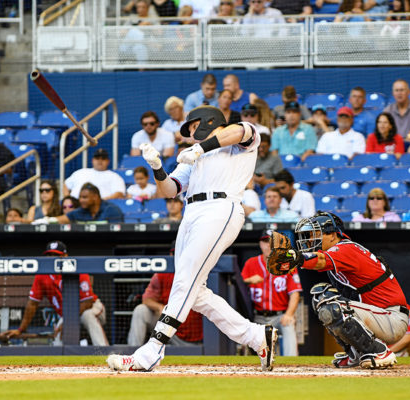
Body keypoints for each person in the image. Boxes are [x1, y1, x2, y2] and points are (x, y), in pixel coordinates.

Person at [107, 105, 279, 372]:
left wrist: (199, 148)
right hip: (191, 213)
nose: (190, 133)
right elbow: (169, 190)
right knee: (195, 292)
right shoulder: (194, 158)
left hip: (220, 208)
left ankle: (152, 350)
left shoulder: (238, 142)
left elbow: (241, 130)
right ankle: (256, 336)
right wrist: (157, 167)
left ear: (210, 121)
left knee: (185, 278)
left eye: (192, 126)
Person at [281, 211, 409, 369]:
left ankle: (379, 351)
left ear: (333, 235)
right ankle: (357, 352)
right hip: (379, 316)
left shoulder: (346, 249)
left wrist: (294, 257)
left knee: (332, 306)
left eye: (317, 234)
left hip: (391, 318)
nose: (312, 239)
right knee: (320, 296)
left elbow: (320, 261)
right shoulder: (341, 251)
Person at [3, 241, 109, 346]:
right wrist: (21, 329)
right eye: (49, 255)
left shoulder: (77, 269)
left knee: (87, 315)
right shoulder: (42, 276)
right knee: (58, 338)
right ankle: (63, 362)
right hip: (67, 315)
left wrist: (67, 321)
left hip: (92, 308)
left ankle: (104, 353)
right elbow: (32, 304)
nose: (52, 258)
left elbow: (87, 302)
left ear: (65, 256)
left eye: (57, 255)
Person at [242, 230, 302, 356]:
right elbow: (237, 288)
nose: (268, 245)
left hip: (279, 316)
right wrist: (248, 281)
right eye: (265, 242)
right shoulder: (250, 263)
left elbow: (295, 293)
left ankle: (292, 365)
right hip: (257, 317)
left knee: (289, 322)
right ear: (260, 244)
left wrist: (289, 314)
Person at [128, 272, 203, 346]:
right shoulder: (163, 274)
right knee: (141, 310)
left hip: (192, 337)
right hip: (168, 327)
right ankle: (133, 353)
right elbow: (146, 299)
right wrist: (160, 307)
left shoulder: (197, 272)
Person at [34, 183, 124, 224]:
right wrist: (45, 220)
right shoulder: (81, 211)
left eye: (84, 197)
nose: (80, 200)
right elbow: (61, 219)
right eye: (80, 197)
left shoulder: (111, 210)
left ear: (95, 197)